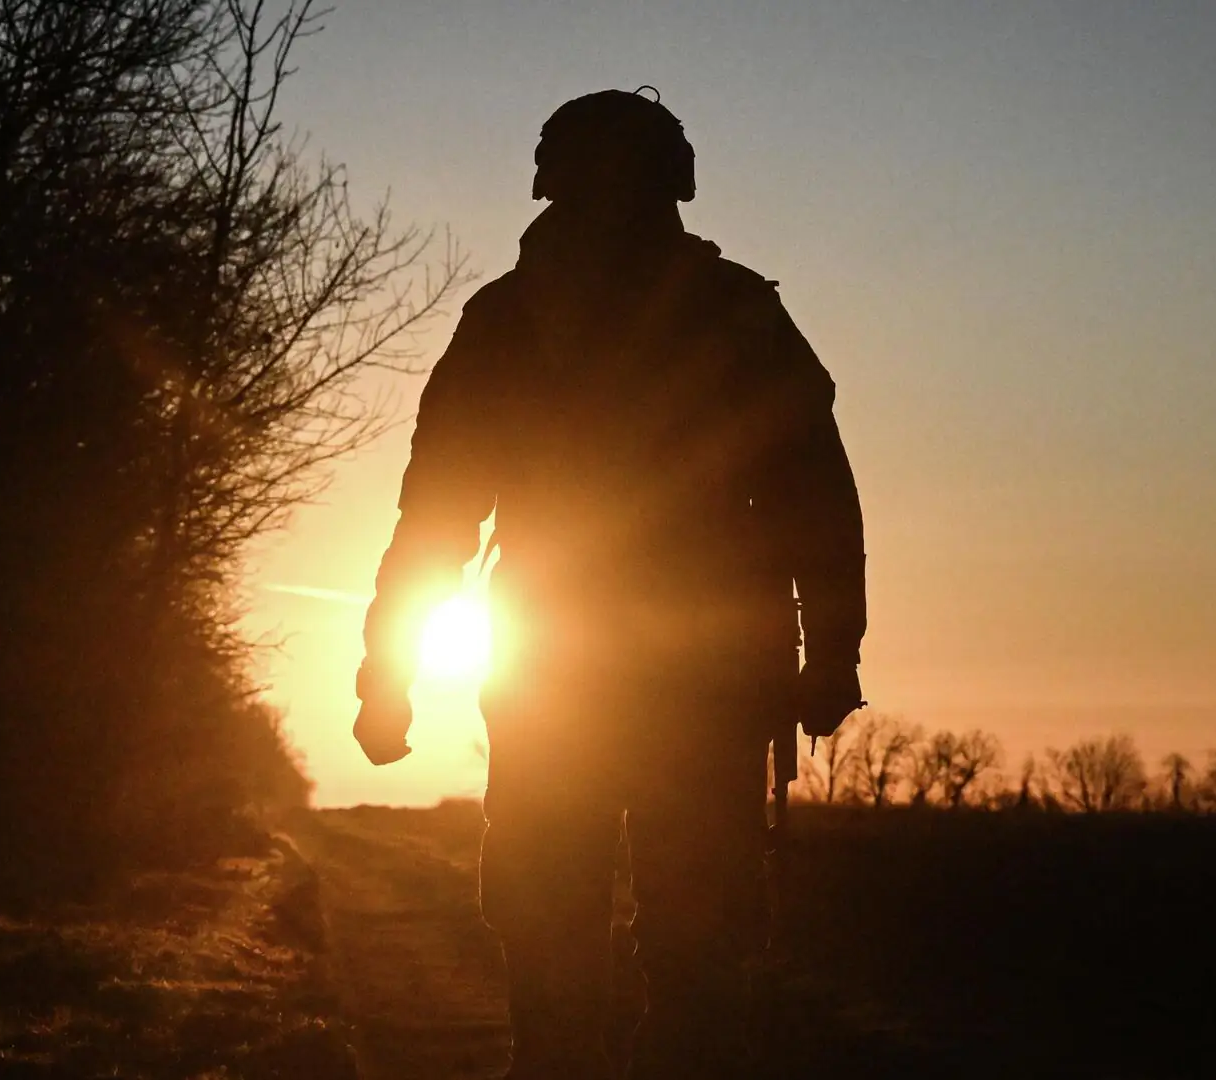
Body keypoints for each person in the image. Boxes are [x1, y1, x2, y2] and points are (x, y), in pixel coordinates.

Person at [352, 88, 866, 1080]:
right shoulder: (722, 312)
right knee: (634, 932)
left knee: (633, 932)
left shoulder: (519, 319)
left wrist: (387, 676)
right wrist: (832, 652)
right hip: (640, 669)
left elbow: (435, 519)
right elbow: (817, 500)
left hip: (613, 667)